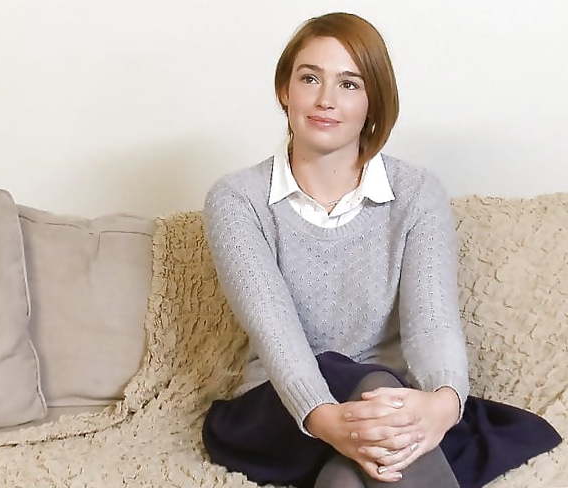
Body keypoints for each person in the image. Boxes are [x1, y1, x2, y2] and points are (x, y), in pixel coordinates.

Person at [200, 11, 561, 488]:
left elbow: (432, 323)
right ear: (285, 90)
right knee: (373, 396)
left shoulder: (417, 193)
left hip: (391, 405)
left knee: (352, 469)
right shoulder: (237, 199)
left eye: (349, 84)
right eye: (310, 78)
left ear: (373, 102)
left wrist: (441, 406)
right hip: (284, 410)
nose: (326, 100)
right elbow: (277, 337)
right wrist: (330, 420)